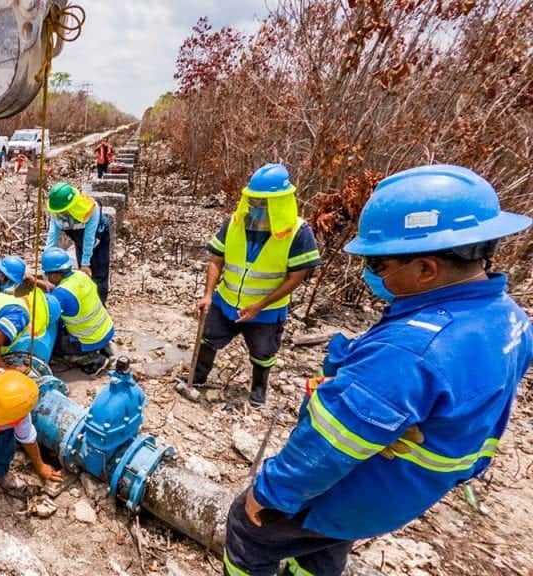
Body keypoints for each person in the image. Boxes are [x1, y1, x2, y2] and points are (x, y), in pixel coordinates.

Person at [223, 164, 533, 576]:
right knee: (322, 542)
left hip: (359, 485)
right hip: (399, 490)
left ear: (426, 268)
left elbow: (330, 444)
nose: (372, 274)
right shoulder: (510, 320)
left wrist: (267, 494)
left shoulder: (411, 350)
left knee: (249, 530)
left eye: (380, 265)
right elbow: (485, 412)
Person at [192, 164, 321, 407]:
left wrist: (260, 305)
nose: (257, 209)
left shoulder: (298, 232)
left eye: (264, 204)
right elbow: (216, 260)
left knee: (263, 353)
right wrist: (208, 294)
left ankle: (259, 389)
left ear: (281, 203)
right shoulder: (234, 223)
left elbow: (296, 276)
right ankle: (198, 376)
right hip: (226, 300)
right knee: (208, 338)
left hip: (266, 310)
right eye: (254, 202)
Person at [37, 247, 114, 372]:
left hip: (88, 339)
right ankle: (104, 349)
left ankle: (91, 359)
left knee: (54, 345)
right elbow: (60, 289)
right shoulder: (80, 276)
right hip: (105, 330)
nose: (46, 277)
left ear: (55, 275)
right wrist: (35, 281)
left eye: (47, 274)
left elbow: (47, 315)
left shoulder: (62, 294)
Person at [45, 182, 112, 303]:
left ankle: (99, 304)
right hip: (80, 239)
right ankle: (85, 301)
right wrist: (45, 259)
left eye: (62, 211)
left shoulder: (90, 209)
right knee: (83, 275)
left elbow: (89, 237)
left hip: (98, 237)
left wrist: (85, 263)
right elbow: (52, 235)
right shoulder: (56, 212)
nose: (59, 214)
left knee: (99, 272)